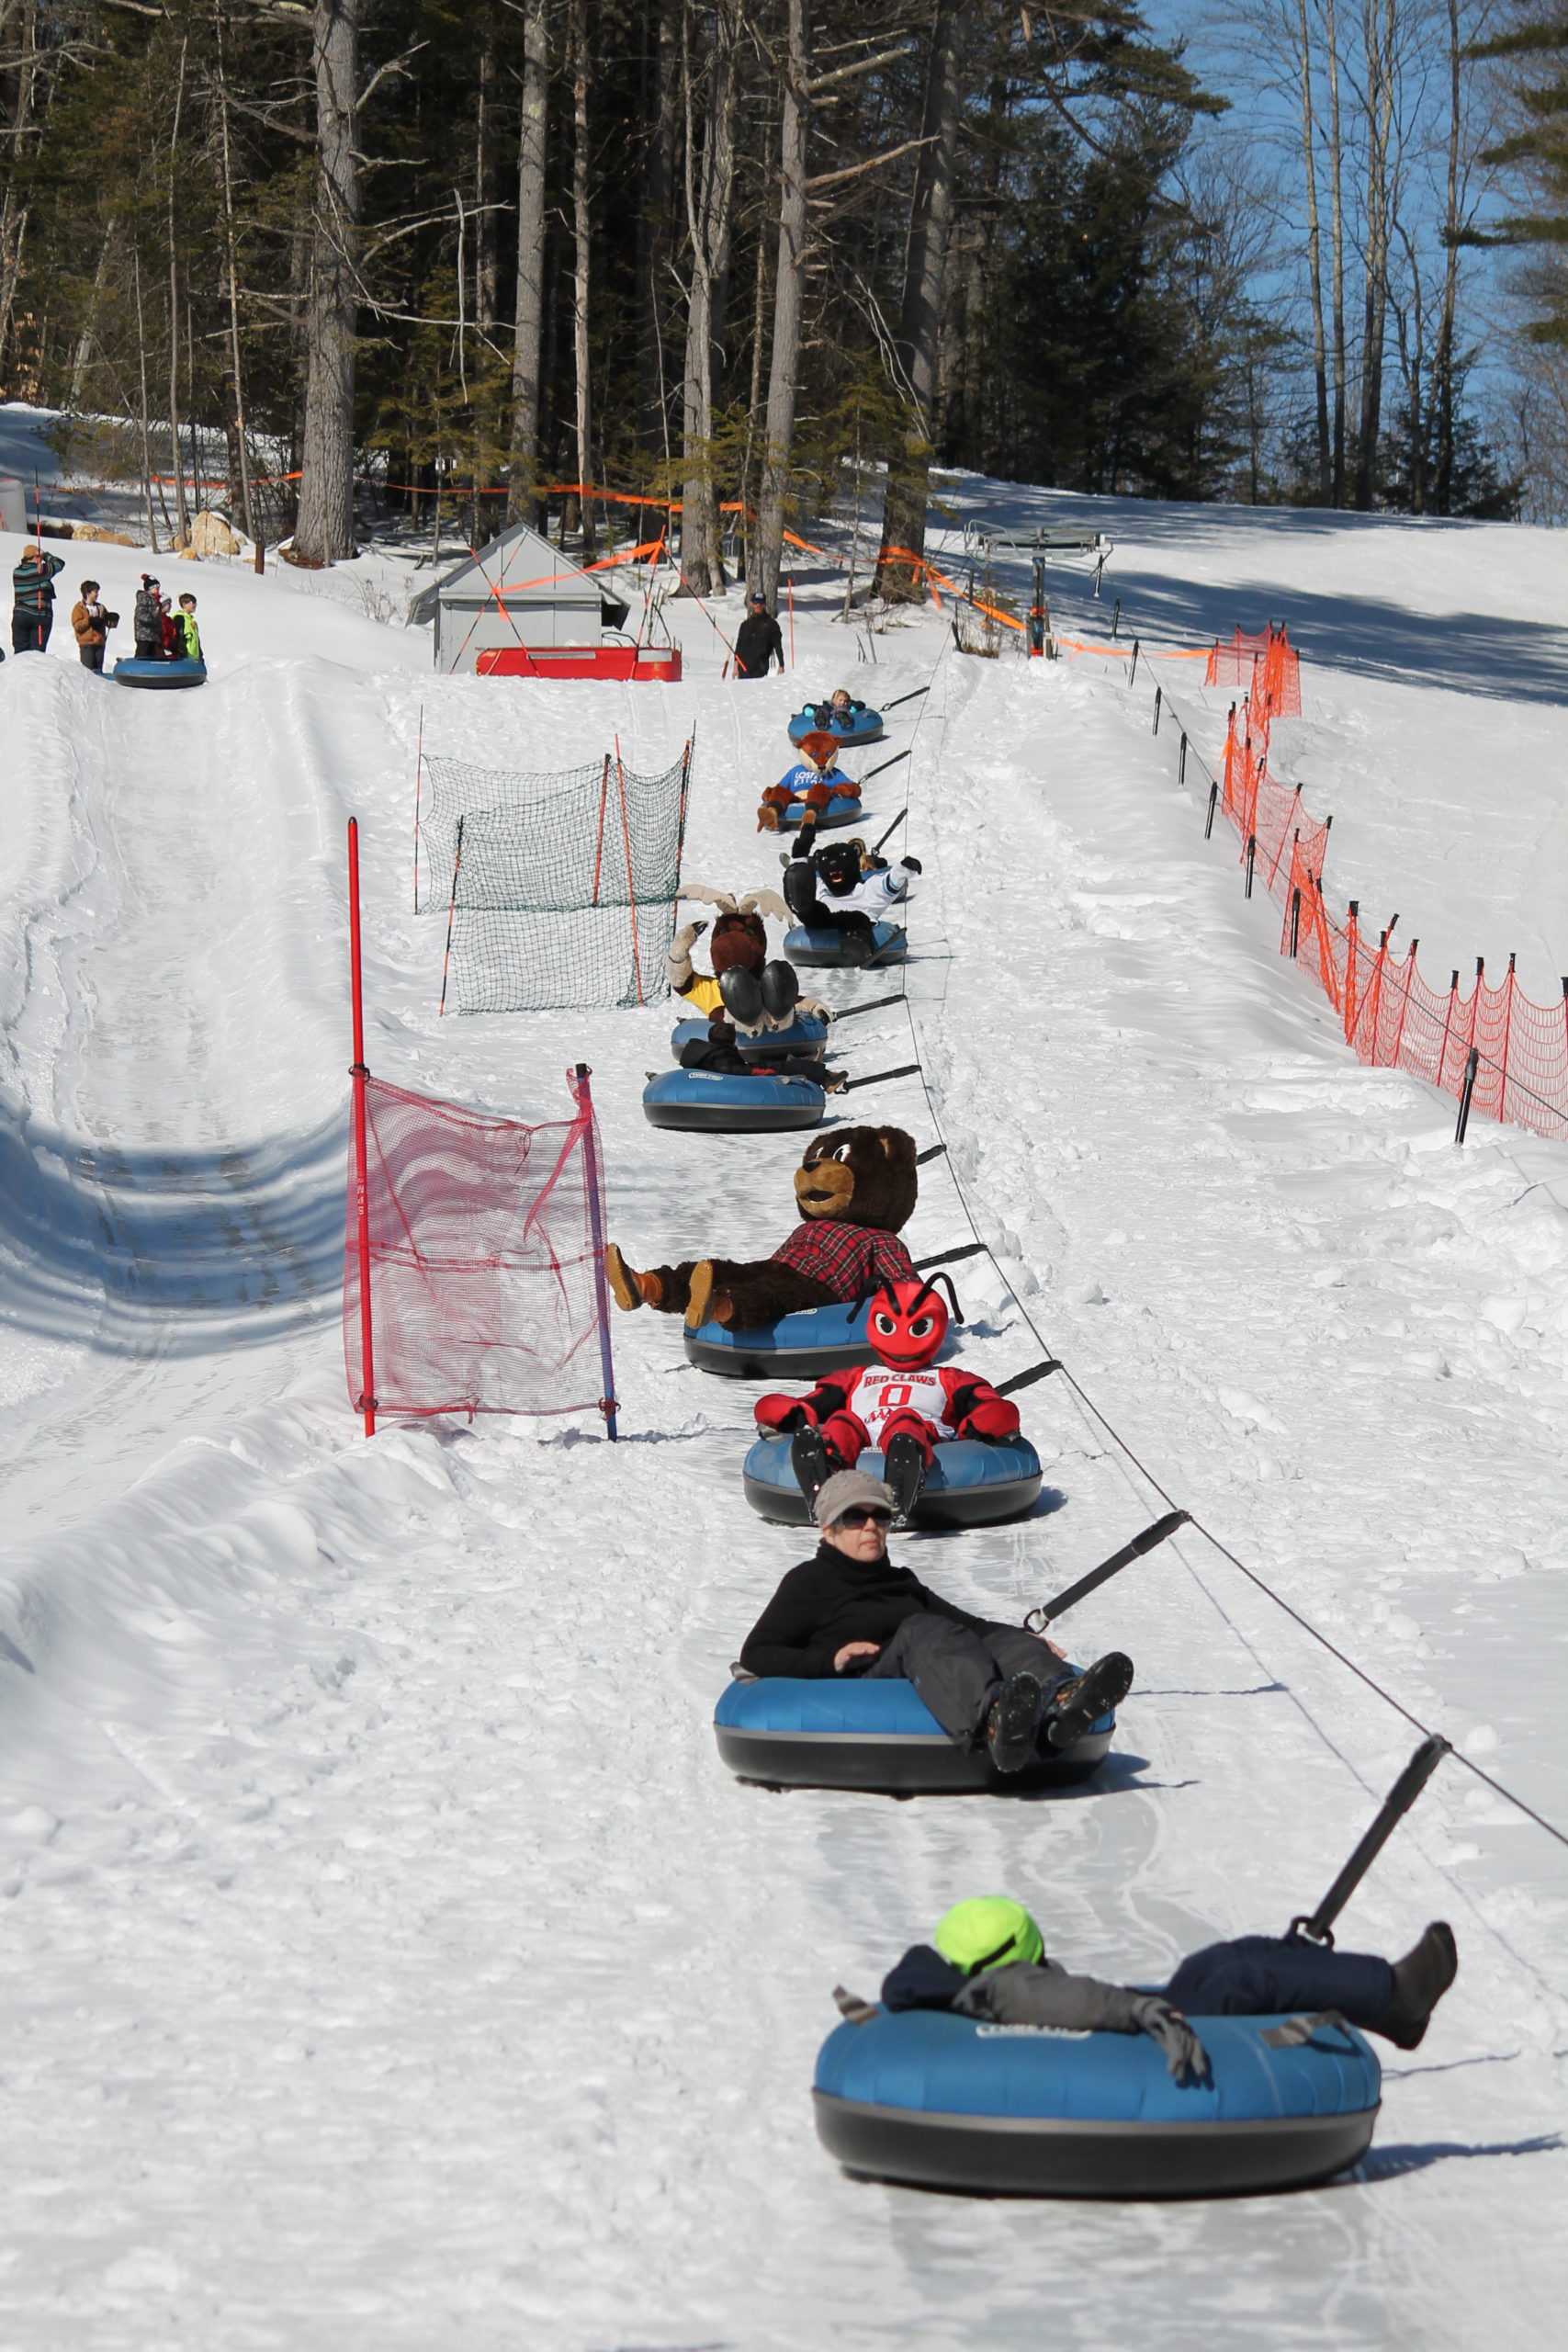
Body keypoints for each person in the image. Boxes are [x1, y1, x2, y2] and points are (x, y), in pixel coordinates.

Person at [739, 1467, 1134, 1773]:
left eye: (880, 1516)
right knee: (921, 1629)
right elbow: (757, 1653)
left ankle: (1061, 1704)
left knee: (993, 1641)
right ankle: (996, 1719)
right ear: (828, 1530)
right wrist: (831, 1660)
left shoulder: (902, 1582)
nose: (871, 1527)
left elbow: (972, 1626)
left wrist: (1027, 1640)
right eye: (855, 1518)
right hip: (866, 1680)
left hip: (923, 1668)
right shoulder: (808, 1583)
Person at [861, 1895, 1459, 2079]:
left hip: (1117, 2036)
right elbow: (1069, 2000)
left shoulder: (963, 1981)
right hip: (1133, 2051)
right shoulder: (1008, 1986)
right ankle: (1393, 1997)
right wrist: (1139, 2007)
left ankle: (1376, 2001)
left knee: (1217, 1961)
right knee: (1239, 1980)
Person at [784, 826, 919, 936]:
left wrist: (904, 869)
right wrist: (801, 850)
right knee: (813, 908)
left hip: (855, 922)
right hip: (824, 920)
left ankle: (857, 944)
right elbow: (803, 874)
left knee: (857, 919)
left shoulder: (867, 887)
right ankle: (800, 905)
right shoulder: (822, 887)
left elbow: (888, 883)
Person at [758, 729, 857, 833]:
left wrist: (845, 789)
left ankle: (810, 814)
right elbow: (781, 787)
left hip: (817, 802)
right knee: (780, 791)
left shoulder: (833, 773)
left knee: (820, 788)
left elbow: (850, 787)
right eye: (814, 755)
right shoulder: (794, 771)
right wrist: (771, 793)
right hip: (795, 799)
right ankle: (772, 812)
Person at [12, 541, 66, 654]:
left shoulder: (17, 572)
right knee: (36, 653)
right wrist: (45, 555)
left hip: (20, 614)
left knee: (20, 652)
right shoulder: (41, 570)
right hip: (40, 615)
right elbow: (59, 563)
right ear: (36, 557)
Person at [734, 588, 784, 680]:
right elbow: (739, 647)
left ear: (765, 604)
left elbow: (777, 646)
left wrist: (781, 665)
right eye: (756, 602)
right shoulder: (745, 625)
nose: (758, 605)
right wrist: (735, 666)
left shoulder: (771, 624)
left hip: (760, 671)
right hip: (742, 670)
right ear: (751, 603)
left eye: (761, 602)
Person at [70, 580, 118, 673]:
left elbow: (110, 624)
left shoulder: (101, 607)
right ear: (87, 593)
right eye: (95, 592)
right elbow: (77, 626)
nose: (97, 594)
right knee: (88, 672)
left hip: (99, 643)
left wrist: (112, 619)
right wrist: (89, 621)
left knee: (98, 672)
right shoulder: (79, 608)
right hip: (87, 644)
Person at [133, 575, 168, 661]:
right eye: (155, 587)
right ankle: (137, 668)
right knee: (142, 654)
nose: (158, 589)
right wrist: (153, 616)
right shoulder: (144, 599)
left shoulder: (156, 601)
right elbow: (141, 615)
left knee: (151, 657)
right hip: (144, 635)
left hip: (154, 636)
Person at [174, 592, 202, 662]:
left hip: (194, 658)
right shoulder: (179, 618)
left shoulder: (193, 621)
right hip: (185, 658)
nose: (195, 605)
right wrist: (181, 655)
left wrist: (201, 656)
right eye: (192, 602)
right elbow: (179, 639)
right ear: (184, 604)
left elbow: (196, 641)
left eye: (195, 603)